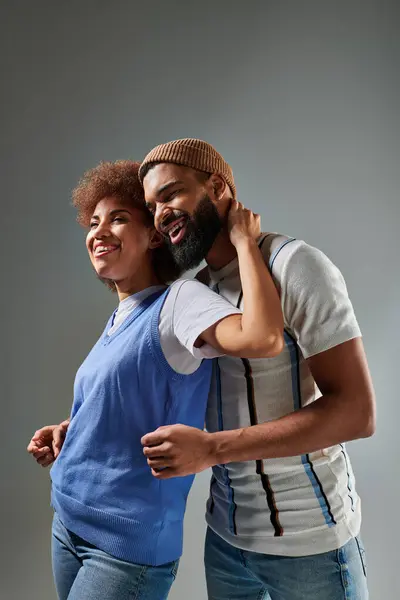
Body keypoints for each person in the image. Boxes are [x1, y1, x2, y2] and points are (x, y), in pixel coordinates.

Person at [27, 159, 284, 600]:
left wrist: (245, 243)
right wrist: (71, 431)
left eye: (119, 218)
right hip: (67, 520)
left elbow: (263, 337)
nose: (99, 231)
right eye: (93, 222)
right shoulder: (122, 316)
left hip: (122, 551)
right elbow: (131, 402)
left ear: (153, 236)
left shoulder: (179, 301)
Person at [138, 138, 376, 600]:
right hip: (226, 541)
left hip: (311, 546)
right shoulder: (198, 291)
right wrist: (80, 425)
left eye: (170, 194)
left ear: (218, 187)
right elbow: (166, 387)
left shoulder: (297, 265)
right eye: (151, 207)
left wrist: (211, 449)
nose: (160, 214)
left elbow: (356, 412)